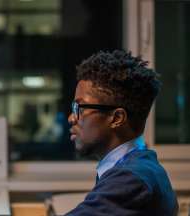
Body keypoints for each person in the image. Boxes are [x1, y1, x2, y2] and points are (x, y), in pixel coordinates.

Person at [66, 50, 178, 215]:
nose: (71, 118)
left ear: (117, 118)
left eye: (80, 108)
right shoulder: (138, 165)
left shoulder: (131, 180)